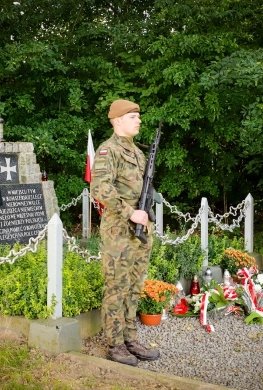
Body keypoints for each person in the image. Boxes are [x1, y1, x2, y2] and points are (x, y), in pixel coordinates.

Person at [90, 99, 160, 366]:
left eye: (138, 116)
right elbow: (100, 188)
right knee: (117, 288)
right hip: (119, 231)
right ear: (118, 121)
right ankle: (115, 344)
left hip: (140, 231)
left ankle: (130, 338)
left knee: (134, 286)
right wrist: (130, 212)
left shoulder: (138, 153)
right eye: (133, 117)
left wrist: (144, 213)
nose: (139, 120)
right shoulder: (109, 151)